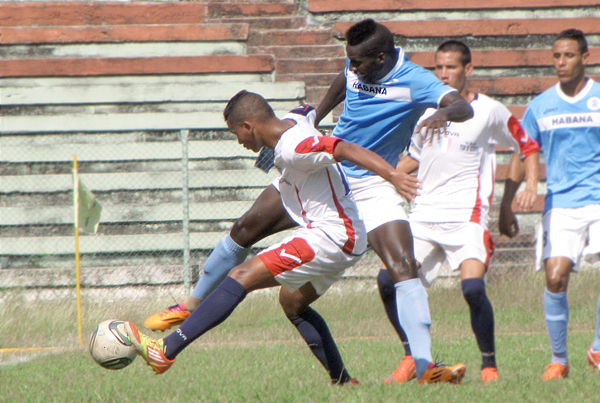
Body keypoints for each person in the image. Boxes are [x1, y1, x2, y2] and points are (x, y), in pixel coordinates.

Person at [145, 19, 473, 384]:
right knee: (252, 241)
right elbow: (341, 84)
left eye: (359, 63)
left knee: (402, 265)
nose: (352, 69)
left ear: (380, 58)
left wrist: (438, 116)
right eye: (349, 61)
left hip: (371, 181)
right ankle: (190, 306)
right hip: (324, 175)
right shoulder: (354, 68)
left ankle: (426, 365)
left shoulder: (416, 80)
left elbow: (462, 107)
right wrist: (314, 114)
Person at [395, 40, 540, 382]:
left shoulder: (488, 110)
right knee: (389, 282)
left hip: (467, 218)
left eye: (451, 67)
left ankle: (488, 365)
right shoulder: (425, 111)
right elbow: (413, 160)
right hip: (423, 217)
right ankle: (416, 360)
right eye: (438, 67)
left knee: (473, 290)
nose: (444, 73)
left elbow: (527, 144)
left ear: (468, 69)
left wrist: (524, 190)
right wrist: (378, 175)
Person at [518, 29, 600, 380]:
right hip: (561, 203)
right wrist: (514, 197)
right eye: (556, 56)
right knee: (555, 278)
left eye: (568, 56)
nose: (561, 62)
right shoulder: (541, 105)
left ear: (585, 57)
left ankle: (597, 347)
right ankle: (559, 360)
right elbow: (524, 149)